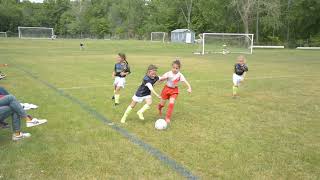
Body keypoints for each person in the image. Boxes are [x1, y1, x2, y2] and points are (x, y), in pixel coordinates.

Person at [157, 59, 192, 124]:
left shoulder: (180, 75)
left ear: (179, 69)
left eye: (177, 68)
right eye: (173, 68)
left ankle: (167, 117)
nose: (175, 69)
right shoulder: (168, 73)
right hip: (166, 89)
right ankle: (159, 108)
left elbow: (185, 81)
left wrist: (189, 87)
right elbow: (161, 80)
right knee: (162, 104)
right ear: (171, 67)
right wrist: (161, 79)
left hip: (174, 90)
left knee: (171, 103)